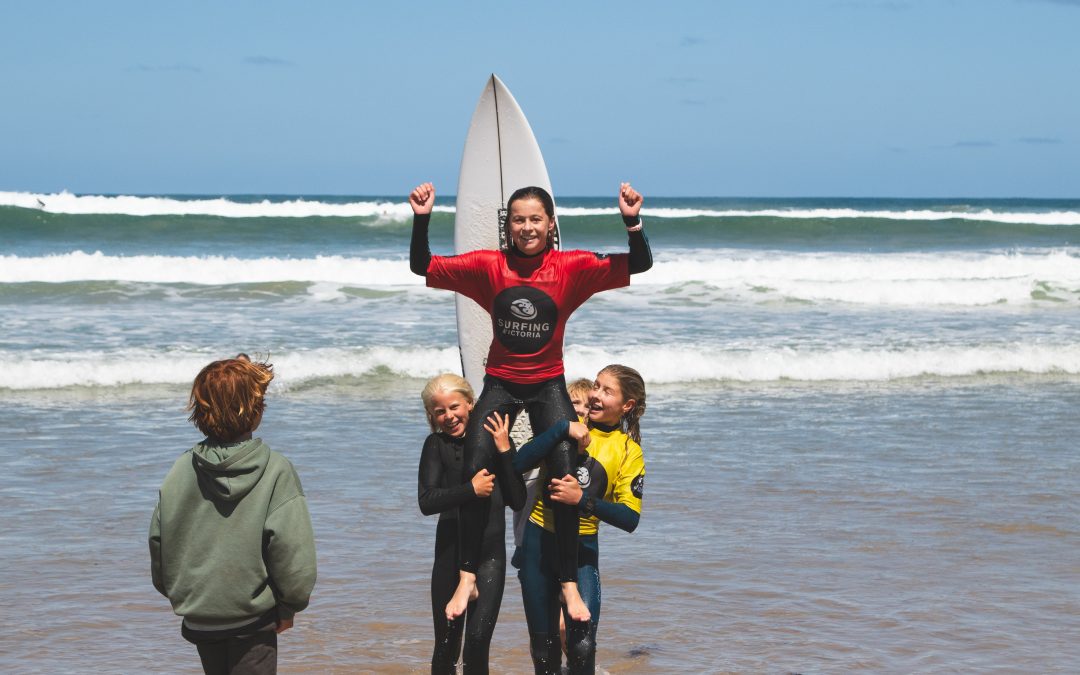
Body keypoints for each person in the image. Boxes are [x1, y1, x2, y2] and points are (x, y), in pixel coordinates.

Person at [409, 181, 652, 623]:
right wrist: (422, 217)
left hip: (547, 385)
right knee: (474, 466)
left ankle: (568, 583)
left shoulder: (571, 267)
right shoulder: (489, 266)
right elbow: (422, 266)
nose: (526, 227)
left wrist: (631, 220)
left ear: (550, 224)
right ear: (509, 226)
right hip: (500, 382)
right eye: (518, 219)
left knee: (562, 472)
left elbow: (640, 263)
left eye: (535, 219)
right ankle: (467, 575)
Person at [149, 356, 316, 675]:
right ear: (256, 411)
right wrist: (290, 604)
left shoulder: (182, 469)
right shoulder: (275, 469)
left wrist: (183, 593)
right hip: (253, 619)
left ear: (200, 412)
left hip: (201, 617)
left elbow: (160, 541)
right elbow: (293, 553)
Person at [502, 364, 647, 674]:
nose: (595, 395)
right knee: (544, 649)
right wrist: (560, 430)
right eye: (596, 385)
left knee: (582, 646)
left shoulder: (627, 451)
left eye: (607, 391)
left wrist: (582, 500)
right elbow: (518, 463)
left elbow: (630, 517)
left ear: (627, 406)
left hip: (582, 551)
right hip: (538, 543)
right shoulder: (568, 425)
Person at [417, 374, 526, 674]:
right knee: (446, 645)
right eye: (440, 411)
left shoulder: (495, 441)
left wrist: (505, 450)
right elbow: (426, 501)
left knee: (477, 644)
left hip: (490, 556)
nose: (449, 416)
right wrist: (470, 490)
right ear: (432, 416)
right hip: (449, 556)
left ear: (471, 403)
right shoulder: (435, 445)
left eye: (455, 407)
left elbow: (517, 500)